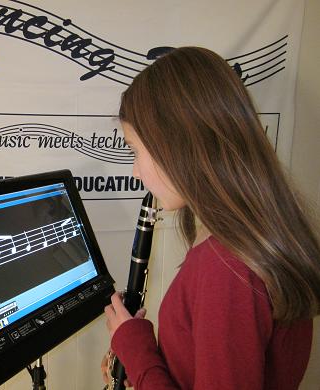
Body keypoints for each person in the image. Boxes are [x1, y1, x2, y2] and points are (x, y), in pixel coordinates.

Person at [102, 47, 320, 389]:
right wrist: (141, 359)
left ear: (177, 146)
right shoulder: (248, 235)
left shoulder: (226, 268)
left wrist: (138, 353)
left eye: (135, 149)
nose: (135, 170)